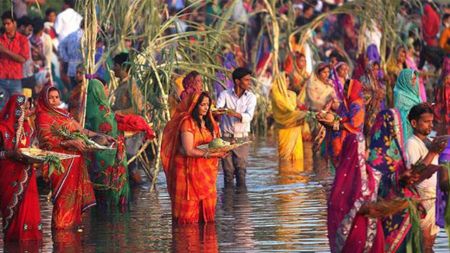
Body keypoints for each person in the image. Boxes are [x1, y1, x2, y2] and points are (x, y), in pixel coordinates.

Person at [35, 85, 101, 230]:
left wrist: (101, 136)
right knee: (62, 199)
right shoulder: (42, 116)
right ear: (44, 99)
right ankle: (60, 230)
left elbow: (81, 130)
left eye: (56, 97)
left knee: (75, 198)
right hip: (60, 162)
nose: (54, 100)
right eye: (50, 98)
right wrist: (70, 142)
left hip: (75, 161)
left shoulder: (64, 114)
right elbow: (46, 141)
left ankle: (72, 227)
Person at [161, 92, 227, 223]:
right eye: (202, 104)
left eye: (208, 105)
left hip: (206, 173)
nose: (206, 108)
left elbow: (214, 144)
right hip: (187, 173)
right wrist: (212, 154)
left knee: (208, 219)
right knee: (187, 219)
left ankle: (205, 243)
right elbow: (188, 150)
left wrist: (222, 150)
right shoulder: (187, 123)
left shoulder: (210, 123)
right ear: (194, 105)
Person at [367, 109, 422, 252]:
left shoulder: (398, 152)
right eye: (395, 127)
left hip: (406, 211)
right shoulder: (375, 156)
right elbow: (377, 184)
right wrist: (398, 178)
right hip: (391, 213)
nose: (399, 131)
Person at [327, 133, 385, 253]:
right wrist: (361, 207)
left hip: (371, 231)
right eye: (362, 151)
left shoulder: (373, 174)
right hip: (353, 235)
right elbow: (338, 207)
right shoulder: (343, 179)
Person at [405, 103, 448, 252]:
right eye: (426, 122)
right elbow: (413, 177)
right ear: (414, 123)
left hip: (433, 199)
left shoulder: (429, 142)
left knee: (429, 244)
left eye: (432, 121)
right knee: (424, 245)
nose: (430, 125)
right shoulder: (412, 143)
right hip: (421, 199)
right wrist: (432, 153)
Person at [0, 94, 42, 242]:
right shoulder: (2, 129)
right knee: (12, 219)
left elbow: (33, 149)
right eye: (23, 108)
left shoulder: (28, 129)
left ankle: (30, 244)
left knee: (29, 214)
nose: (27, 112)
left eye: (28, 108)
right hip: (8, 176)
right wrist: (11, 154)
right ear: (15, 109)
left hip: (27, 176)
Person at [85, 79, 130, 208]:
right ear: (99, 91)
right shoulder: (105, 112)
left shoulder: (86, 111)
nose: (107, 90)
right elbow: (112, 133)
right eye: (104, 88)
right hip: (112, 156)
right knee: (112, 193)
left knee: (99, 193)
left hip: (96, 157)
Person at [216, 67, 257, 188]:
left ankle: (240, 203)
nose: (249, 83)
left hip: (241, 138)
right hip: (226, 138)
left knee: (241, 171)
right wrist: (221, 112)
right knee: (228, 173)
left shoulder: (251, 97)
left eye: (249, 80)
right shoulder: (224, 94)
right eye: (246, 80)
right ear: (237, 81)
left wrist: (234, 114)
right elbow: (218, 110)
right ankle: (228, 204)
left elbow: (249, 117)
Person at [270, 73, 306, 165]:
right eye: (284, 81)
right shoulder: (276, 95)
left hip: (295, 127)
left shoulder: (292, 94)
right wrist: (303, 114)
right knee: (285, 158)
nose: (286, 82)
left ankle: (297, 177)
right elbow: (287, 109)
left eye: (288, 81)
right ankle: (285, 177)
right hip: (284, 127)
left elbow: (300, 106)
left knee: (297, 158)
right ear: (280, 82)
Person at [0, 11, 29, 109]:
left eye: (8, 23)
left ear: (14, 23)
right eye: (4, 24)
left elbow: (22, 59)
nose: (6, 26)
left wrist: (5, 51)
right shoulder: (0, 39)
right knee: (1, 106)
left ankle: (16, 125)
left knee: (18, 107)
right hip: (1, 80)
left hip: (16, 80)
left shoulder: (23, 40)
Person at [394, 69, 422, 143]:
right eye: (411, 79)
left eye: (415, 79)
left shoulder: (414, 92)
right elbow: (400, 112)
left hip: (416, 124)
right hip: (406, 126)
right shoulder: (400, 94)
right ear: (405, 80)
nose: (414, 82)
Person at [360, 61, 385, 137]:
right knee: (368, 129)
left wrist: (380, 94)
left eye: (377, 69)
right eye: (373, 69)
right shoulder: (364, 79)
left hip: (376, 109)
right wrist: (375, 95)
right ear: (369, 69)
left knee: (377, 130)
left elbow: (381, 94)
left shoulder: (376, 81)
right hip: (367, 111)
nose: (375, 71)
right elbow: (362, 95)